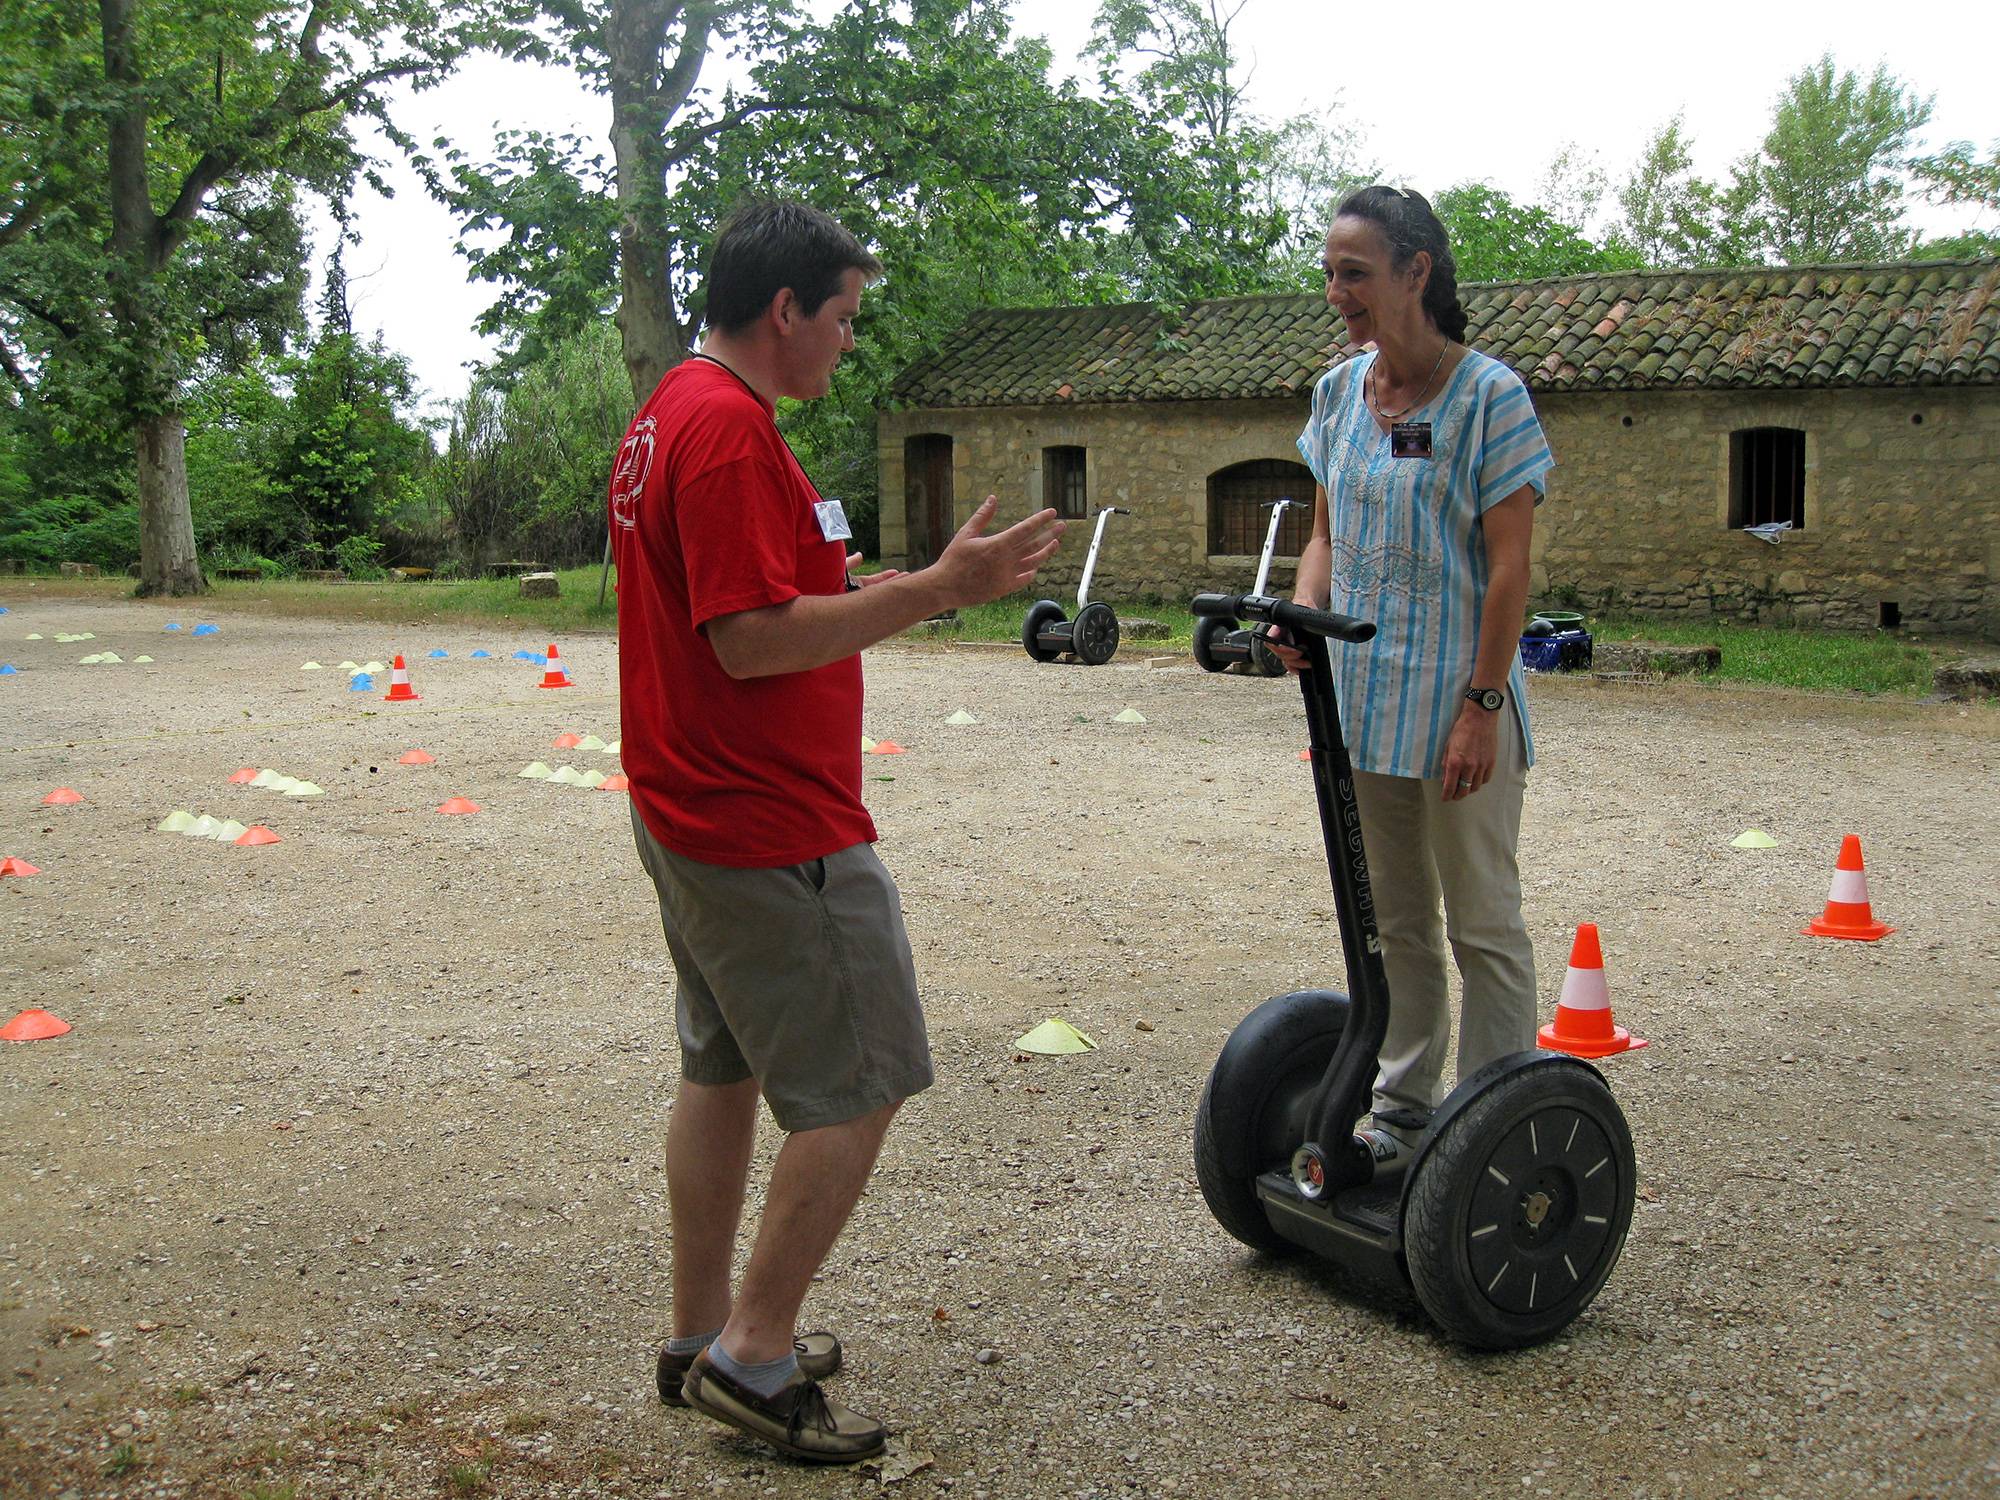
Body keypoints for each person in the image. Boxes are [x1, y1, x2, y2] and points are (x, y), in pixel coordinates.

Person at [609, 198, 1063, 1464]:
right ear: (784, 311)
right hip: (764, 827)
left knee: (724, 1068)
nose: (849, 345)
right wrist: (932, 593)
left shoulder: (671, 418)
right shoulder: (724, 433)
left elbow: (763, 600)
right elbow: (748, 643)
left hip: (693, 805)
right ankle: (752, 1361)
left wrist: (899, 591)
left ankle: (700, 1336)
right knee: (861, 1084)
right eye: (844, 319)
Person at [1270, 185, 1554, 1169]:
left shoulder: (1487, 397)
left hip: (1453, 704)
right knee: (1391, 922)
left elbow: (1509, 568)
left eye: (1352, 272)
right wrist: (1301, 611)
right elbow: (1323, 538)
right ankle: (1400, 1111)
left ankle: (1490, 1121)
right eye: (1328, 274)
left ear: (1414, 272)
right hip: (1361, 705)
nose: (1335, 291)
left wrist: (1481, 706)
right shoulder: (1335, 395)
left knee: (1479, 920)